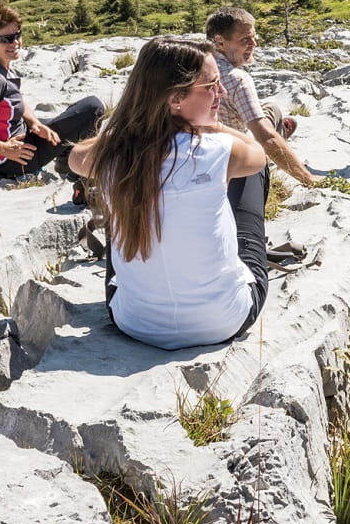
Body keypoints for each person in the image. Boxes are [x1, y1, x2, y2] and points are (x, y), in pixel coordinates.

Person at [68, 37, 272, 349]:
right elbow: (257, 153)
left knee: (126, 192)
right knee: (250, 177)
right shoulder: (219, 150)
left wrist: (125, 127)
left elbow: (76, 157)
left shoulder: (112, 154)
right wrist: (212, 127)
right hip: (223, 320)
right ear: (175, 99)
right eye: (212, 85)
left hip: (133, 321)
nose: (222, 92)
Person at [0, 2, 102, 198]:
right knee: (93, 108)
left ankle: (63, 154)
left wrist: (34, 123)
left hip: (11, 144)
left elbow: (14, 97)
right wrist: (5, 149)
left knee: (68, 115)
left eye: (17, 35)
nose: (15, 42)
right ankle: (72, 165)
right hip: (16, 160)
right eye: (6, 38)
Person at [206, 7, 319, 188]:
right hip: (235, 158)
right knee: (268, 121)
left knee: (269, 108)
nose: (254, 44)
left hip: (201, 154)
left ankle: (279, 128)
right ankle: (274, 155)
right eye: (245, 39)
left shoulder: (194, 64)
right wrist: (308, 178)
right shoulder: (237, 79)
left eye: (254, 37)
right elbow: (266, 138)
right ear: (220, 41)